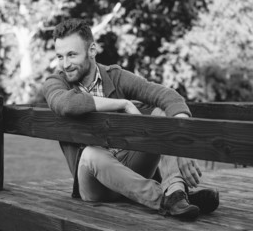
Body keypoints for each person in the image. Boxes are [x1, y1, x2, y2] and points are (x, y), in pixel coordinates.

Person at [43, 18, 219, 220]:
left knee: (161, 115)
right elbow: (66, 104)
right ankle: (166, 198)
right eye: (60, 56)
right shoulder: (55, 82)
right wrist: (122, 103)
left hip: (131, 166)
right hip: (94, 184)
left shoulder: (115, 76)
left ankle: (175, 189)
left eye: (72, 55)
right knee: (91, 153)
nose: (65, 64)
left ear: (92, 50)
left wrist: (183, 141)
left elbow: (168, 96)